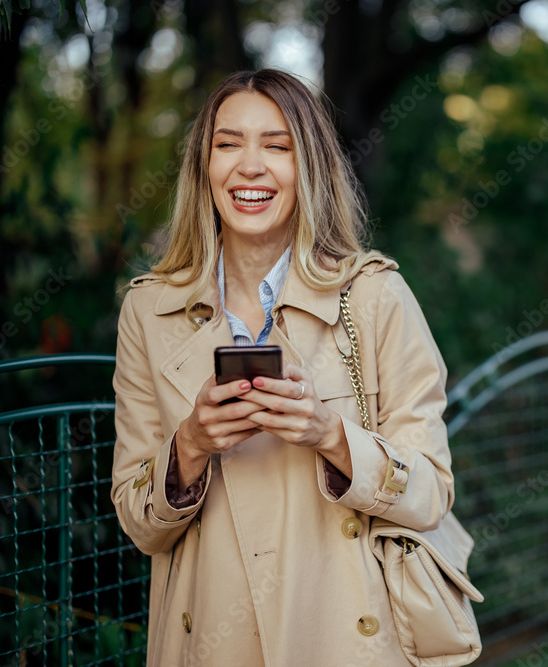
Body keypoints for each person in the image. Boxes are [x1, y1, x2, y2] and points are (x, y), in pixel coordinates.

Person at [110, 69, 454, 665]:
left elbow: (430, 492)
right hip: (209, 641)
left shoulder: (374, 296)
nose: (249, 166)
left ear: (309, 167)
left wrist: (330, 436)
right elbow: (138, 522)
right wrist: (189, 445)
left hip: (343, 637)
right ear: (204, 167)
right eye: (227, 143)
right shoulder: (148, 309)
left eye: (277, 145)